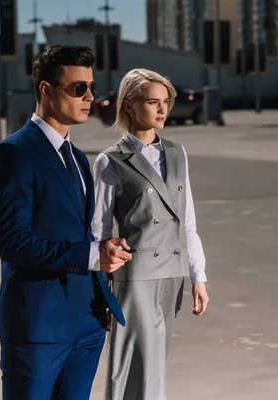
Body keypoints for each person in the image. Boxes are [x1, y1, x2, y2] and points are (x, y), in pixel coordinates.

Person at [0, 45, 132, 400]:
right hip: (39, 327)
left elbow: (82, 232)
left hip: (87, 323)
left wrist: (100, 290)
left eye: (91, 88)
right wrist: (91, 256)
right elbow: (12, 244)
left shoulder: (79, 158)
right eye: (77, 88)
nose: (89, 97)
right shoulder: (14, 155)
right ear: (46, 90)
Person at [92, 68, 210, 400]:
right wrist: (101, 291)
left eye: (166, 102)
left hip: (172, 274)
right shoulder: (109, 161)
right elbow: (99, 233)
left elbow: (187, 222)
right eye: (152, 102)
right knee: (133, 367)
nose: (162, 109)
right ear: (129, 106)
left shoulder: (177, 153)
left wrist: (198, 276)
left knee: (156, 363)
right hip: (136, 277)